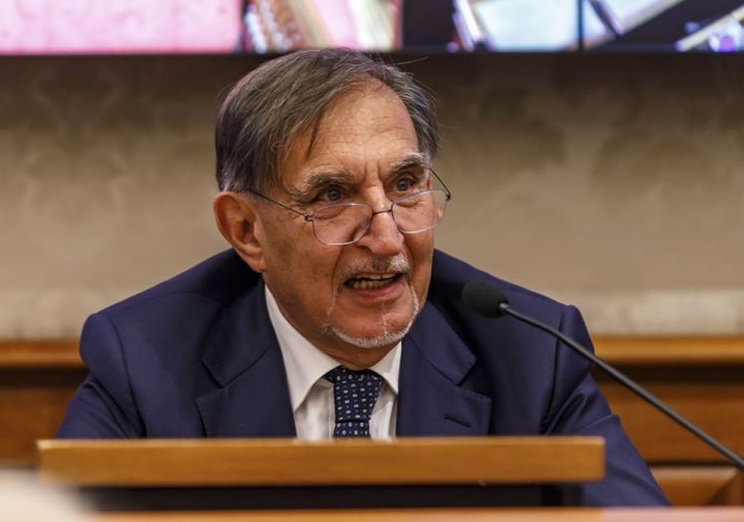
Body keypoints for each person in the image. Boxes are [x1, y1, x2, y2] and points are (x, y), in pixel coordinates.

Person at [57, 48, 668, 506]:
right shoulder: (146, 358)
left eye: (405, 186)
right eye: (332, 195)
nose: (387, 237)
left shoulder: (531, 352)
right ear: (246, 230)